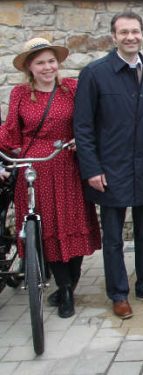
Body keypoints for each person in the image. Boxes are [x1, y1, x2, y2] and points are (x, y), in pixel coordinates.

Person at [74, 11, 143, 319]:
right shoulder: (95, 73)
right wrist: (91, 169)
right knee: (114, 238)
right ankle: (118, 294)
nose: (130, 37)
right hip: (110, 168)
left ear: (142, 34)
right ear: (114, 36)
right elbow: (83, 126)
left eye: (135, 31)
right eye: (124, 32)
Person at [0, 38, 101, 319]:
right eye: (40, 62)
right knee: (48, 229)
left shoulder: (71, 88)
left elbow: (89, 120)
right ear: (30, 68)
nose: (47, 67)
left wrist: (82, 141)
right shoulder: (20, 93)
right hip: (36, 168)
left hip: (68, 165)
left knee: (74, 222)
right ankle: (66, 289)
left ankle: (74, 279)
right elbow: (10, 132)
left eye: (51, 61)